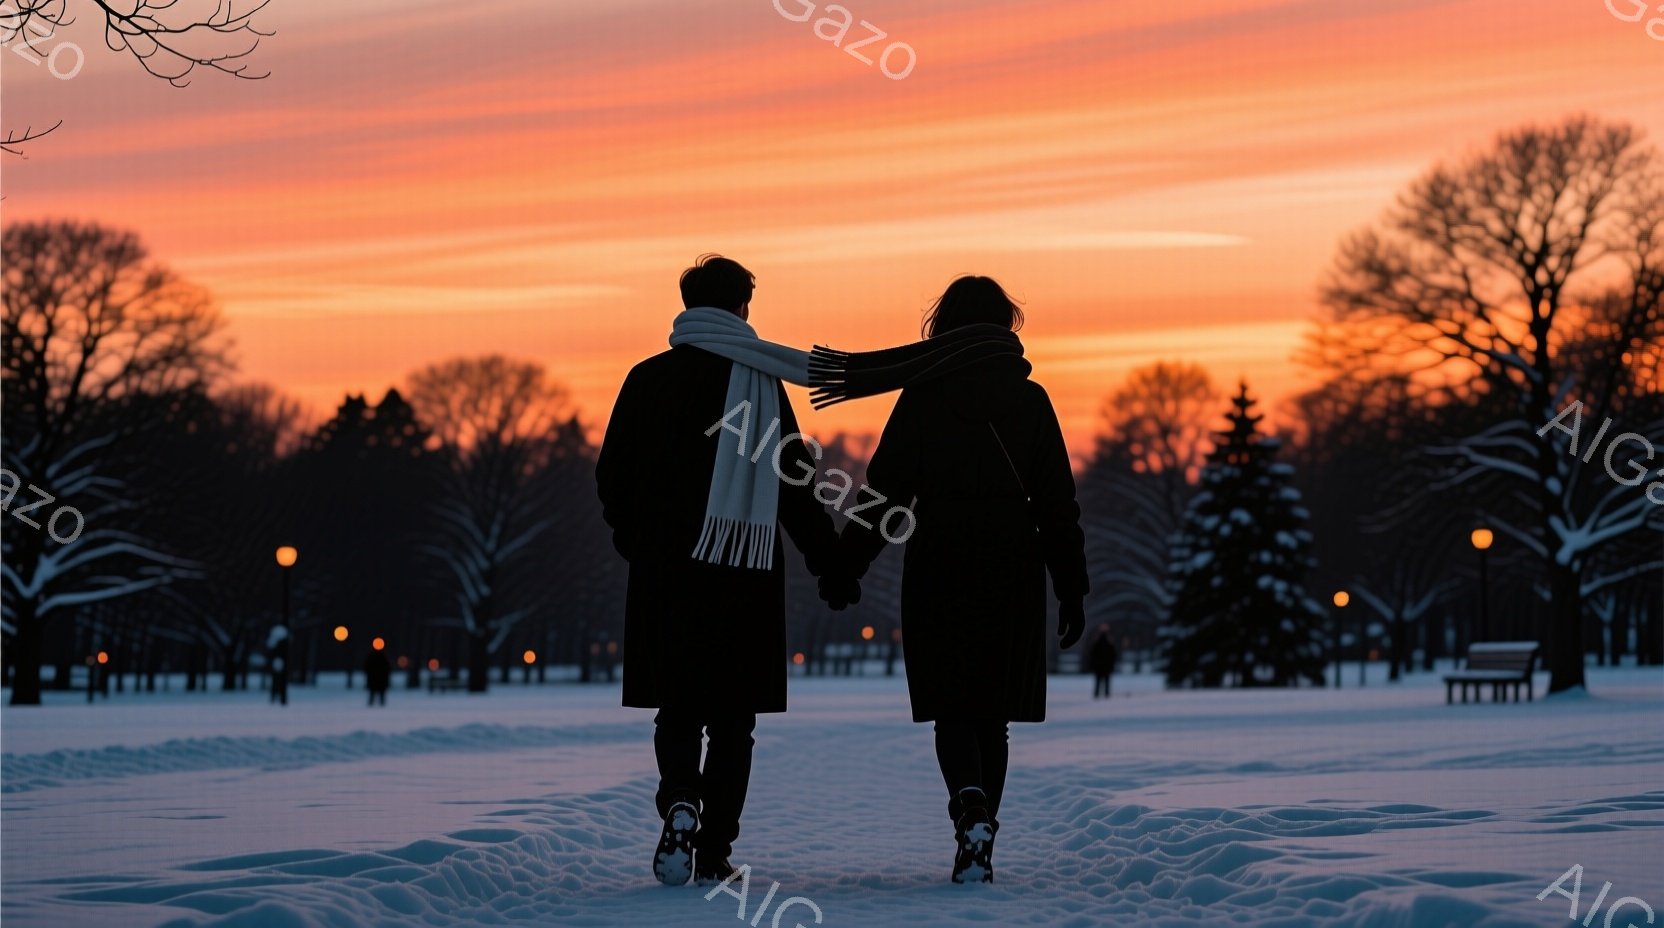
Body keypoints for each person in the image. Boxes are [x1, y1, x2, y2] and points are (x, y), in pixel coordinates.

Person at [814, 275, 1088, 884]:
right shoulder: (1031, 400)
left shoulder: (922, 396)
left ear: (942, 326)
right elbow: (1056, 503)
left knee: (953, 706)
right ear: (1005, 325)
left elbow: (883, 495)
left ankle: (967, 804)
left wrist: (845, 568)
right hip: (1014, 568)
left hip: (939, 562)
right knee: (994, 714)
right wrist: (1072, 586)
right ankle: (981, 818)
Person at [595, 255, 859, 887]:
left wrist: (640, 543)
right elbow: (796, 486)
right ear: (743, 308)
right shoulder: (764, 385)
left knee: (678, 708)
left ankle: (681, 800)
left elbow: (613, 475)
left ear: (688, 307)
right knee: (733, 721)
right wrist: (832, 567)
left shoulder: (647, 378)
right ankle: (713, 850)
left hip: (667, 577)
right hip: (743, 576)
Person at [1089, 625, 1118, 699]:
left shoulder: (1096, 644)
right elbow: (1113, 656)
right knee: (1106, 681)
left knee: (1098, 681)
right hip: (1106, 667)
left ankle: (1097, 694)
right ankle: (1106, 694)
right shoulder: (1109, 644)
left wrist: (1093, 665)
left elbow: (1092, 656)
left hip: (1098, 667)